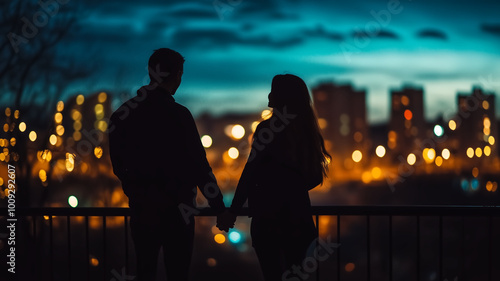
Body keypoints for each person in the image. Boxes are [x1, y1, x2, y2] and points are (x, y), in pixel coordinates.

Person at [109, 48, 230, 281]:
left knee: (145, 271)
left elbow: (119, 165)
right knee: (178, 272)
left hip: (142, 209)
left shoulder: (122, 115)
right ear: (178, 75)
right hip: (178, 211)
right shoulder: (179, 115)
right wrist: (218, 207)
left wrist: (135, 190)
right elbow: (199, 166)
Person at [222, 74, 331, 280]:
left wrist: (233, 211)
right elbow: (315, 177)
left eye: (274, 90)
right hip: (299, 220)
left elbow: (250, 171)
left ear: (282, 96)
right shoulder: (308, 131)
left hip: (268, 220)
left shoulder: (267, 129)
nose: (269, 94)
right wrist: (293, 189)